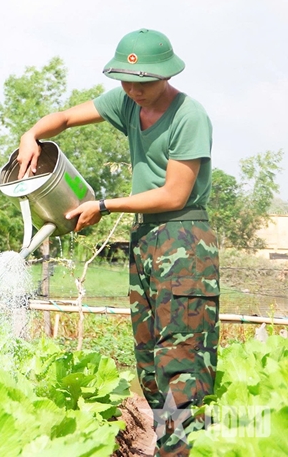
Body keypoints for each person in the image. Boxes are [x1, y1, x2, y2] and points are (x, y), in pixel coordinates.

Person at [16, 29, 218, 456]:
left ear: (165, 75)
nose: (133, 90)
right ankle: (168, 446)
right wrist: (31, 134)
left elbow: (174, 194)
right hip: (145, 237)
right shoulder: (127, 102)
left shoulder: (189, 116)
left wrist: (104, 206)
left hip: (184, 237)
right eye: (125, 81)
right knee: (148, 359)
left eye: (142, 82)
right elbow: (65, 119)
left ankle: (186, 450)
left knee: (181, 361)